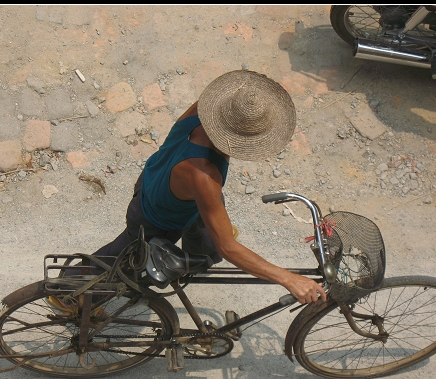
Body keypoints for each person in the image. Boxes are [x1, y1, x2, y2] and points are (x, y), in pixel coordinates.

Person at [94, 70, 326, 304]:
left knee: (205, 244)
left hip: (156, 176)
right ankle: (77, 298)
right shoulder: (204, 176)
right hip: (157, 218)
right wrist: (289, 279)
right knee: (117, 265)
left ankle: (195, 260)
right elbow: (228, 248)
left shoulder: (203, 110)